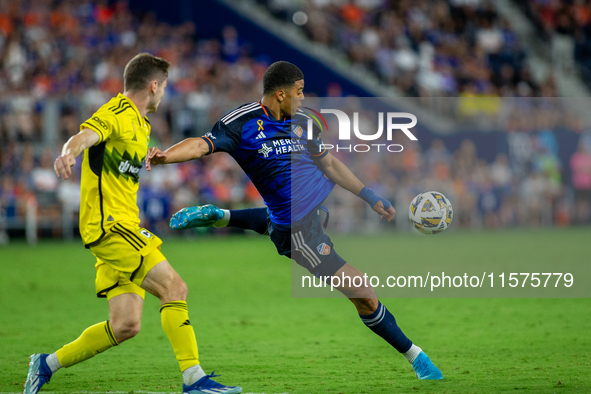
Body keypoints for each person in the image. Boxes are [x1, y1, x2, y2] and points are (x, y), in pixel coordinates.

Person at [146, 61, 443, 382]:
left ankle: (223, 216)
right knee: (364, 293)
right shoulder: (243, 123)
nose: (303, 99)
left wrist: (370, 196)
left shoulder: (303, 122)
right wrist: (166, 156)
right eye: (299, 93)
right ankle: (417, 357)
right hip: (298, 232)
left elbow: (329, 164)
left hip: (306, 216)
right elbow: (202, 144)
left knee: (279, 222)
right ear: (281, 93)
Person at [24, 53, 241, 394]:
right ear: (154, 85)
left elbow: (116, 162)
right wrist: (69, 152)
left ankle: (45, 364)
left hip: (119, 228)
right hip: (110, 226)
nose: (164, 92)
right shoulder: (118, 112)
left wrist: (155, 157)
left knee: (125, 324)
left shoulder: (142, 126)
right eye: (165, 86)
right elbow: (86, 135)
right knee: (175, 288)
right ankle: (194, 379)